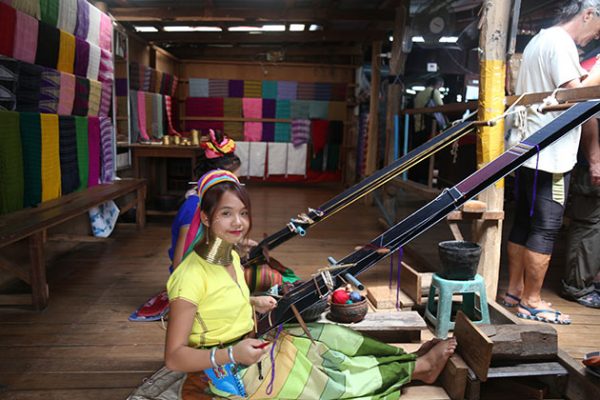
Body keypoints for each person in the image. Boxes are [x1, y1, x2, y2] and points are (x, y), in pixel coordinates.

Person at [130, 169, 458, 400]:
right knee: (323, 377)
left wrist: (252, 304)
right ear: (205, 218)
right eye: (226, 214)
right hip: (221, 375)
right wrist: (231, 353)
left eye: (243, 213)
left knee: (332, 338)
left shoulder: (228, 256)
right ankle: (419, 369)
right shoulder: (188, 277)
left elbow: (215, 304)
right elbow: (174, 358)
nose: (238, 223)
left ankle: (405, 360)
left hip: (249, 344)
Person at [503, 0, 600, 323]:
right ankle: (531, 300)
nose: (594, 37)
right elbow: (574, 97)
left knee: (523, 222)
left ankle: (514, 291)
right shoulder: (561, 44)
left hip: (529, 147)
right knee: (545, 228)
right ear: (588, 14)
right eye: (597, 28)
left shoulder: (540, 40)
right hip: (552, 154)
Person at [562, 117, 600, 308]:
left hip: (593, 165)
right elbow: (589, 119)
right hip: (593, 168)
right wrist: (595, 161)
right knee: (588, 228)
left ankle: (592, 281)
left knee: (595, 231)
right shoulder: (594, 87)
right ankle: (576, 286)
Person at [410, 76, 448, 183]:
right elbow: (441, 107)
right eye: (440, 86)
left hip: (417, 126)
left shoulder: (419, 95)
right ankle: (425, 179)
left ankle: (414, 178)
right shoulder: (434, 92)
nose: (440, 88)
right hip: (428, 127)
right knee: (427, 155)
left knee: (417, 154)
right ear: (437, 84)